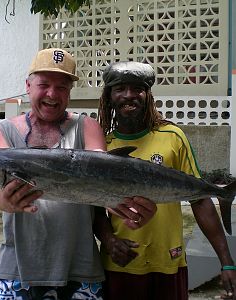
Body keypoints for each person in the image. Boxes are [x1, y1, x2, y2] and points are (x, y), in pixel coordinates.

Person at [0, 48, 156, 300]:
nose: (52, 94)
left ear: (70, 91)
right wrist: (8, 201)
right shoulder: (2, 130)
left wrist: (128, 206)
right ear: (28, 85)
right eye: (44, 84)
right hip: (18, 269)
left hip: (81, 269)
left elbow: (101, 174)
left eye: (62, 87)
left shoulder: (86, 126)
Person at [94, 61, 236, 300]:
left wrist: (227, 262)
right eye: (120, 89)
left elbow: (200, 201)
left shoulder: (173, 136)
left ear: (147, 95)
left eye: (137, 88)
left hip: (170, 262)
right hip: (120, 264)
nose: (129, 95)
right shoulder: (101, 146)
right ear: (108, 96)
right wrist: (109, 240)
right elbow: (94, 207)